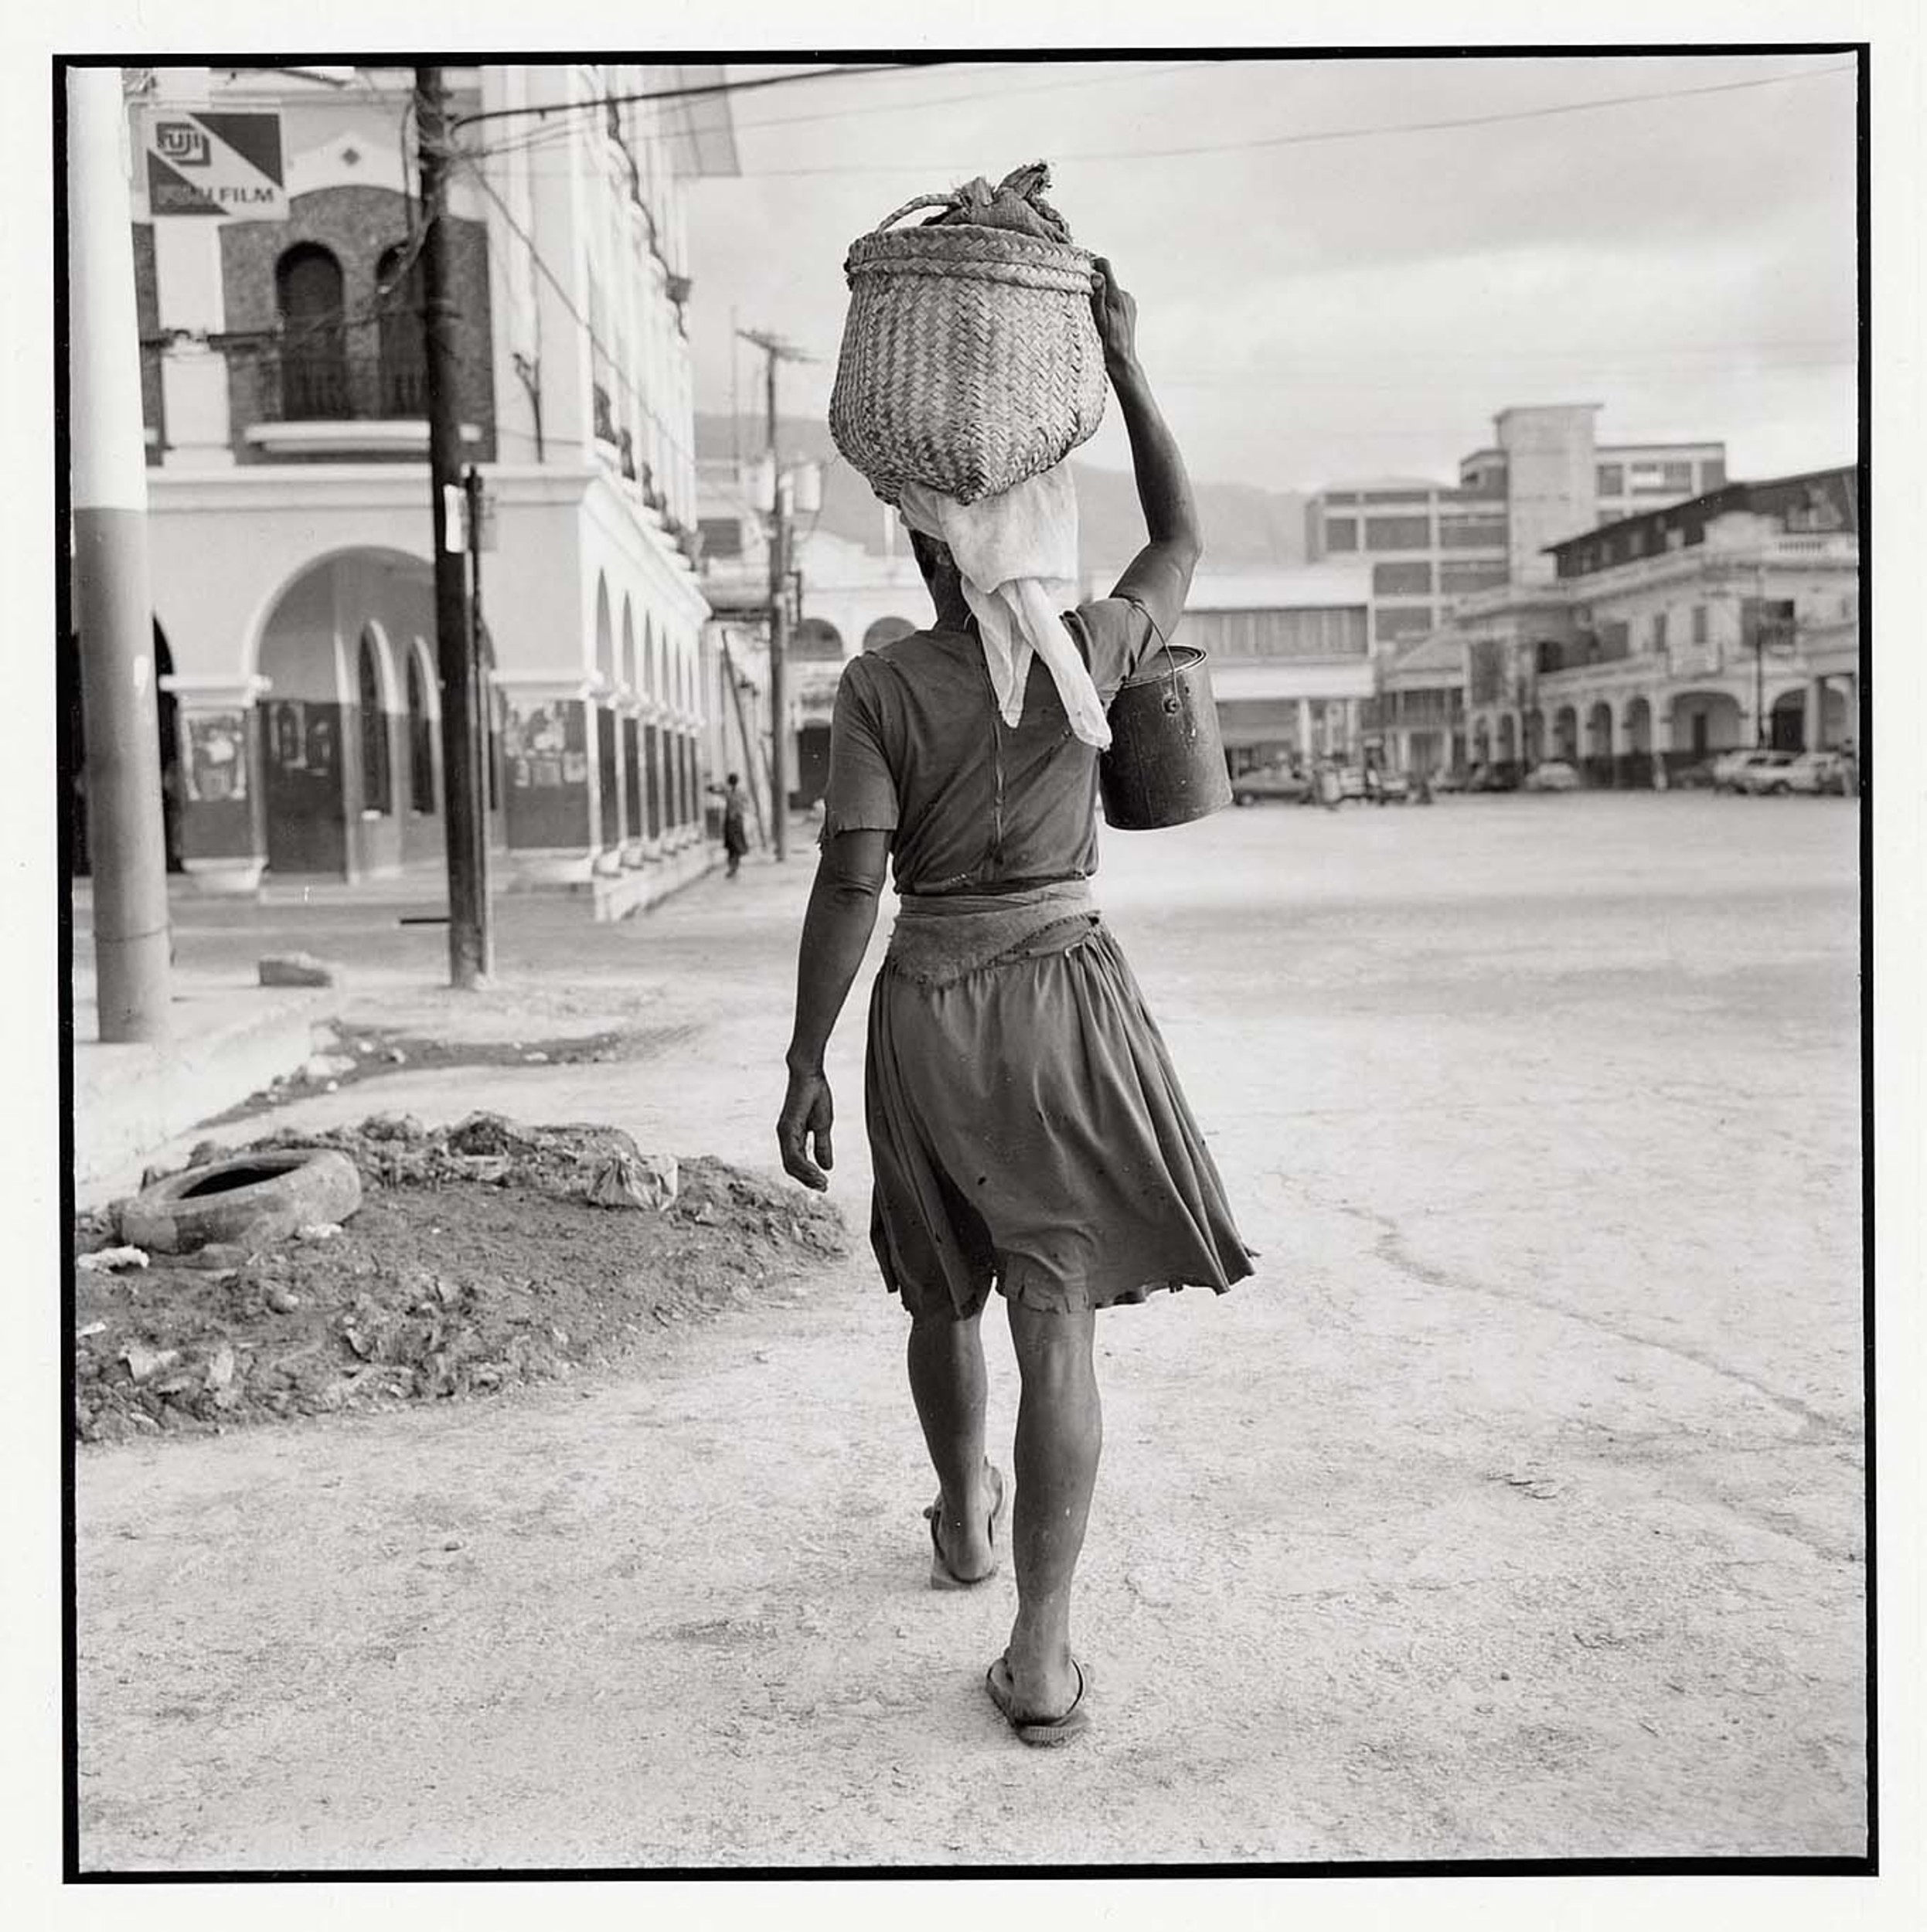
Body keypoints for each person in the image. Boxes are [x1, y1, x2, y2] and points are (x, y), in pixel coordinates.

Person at [777, 260, 1252, 1748]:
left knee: (939, 1287)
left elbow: (852, 887)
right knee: (1057, 1316)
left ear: (925, 552)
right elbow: (1177, 532)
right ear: (1036, 538)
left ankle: (963, 1523)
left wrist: (802, 1055)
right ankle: (1038, 1654)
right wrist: (1123, 366)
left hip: (924, 1006)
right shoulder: (1095, 649)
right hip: (1060, 1002)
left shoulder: (882, 685)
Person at [719, 772, 750, 877]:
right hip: (736, 821)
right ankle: (733, 867)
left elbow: (714, 790)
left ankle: (733, 868)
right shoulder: (739, 792)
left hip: (733, 821)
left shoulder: (731, 792)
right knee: (733, 846)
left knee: (733, 846)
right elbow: (746, 804)